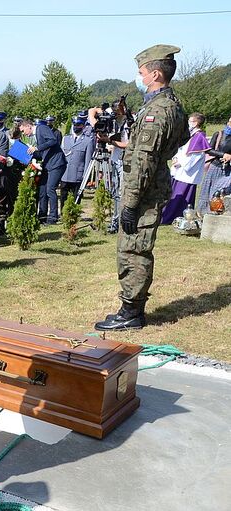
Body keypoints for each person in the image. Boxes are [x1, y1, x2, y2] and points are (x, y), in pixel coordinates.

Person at [95, 45, 188, 332]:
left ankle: (131, 312)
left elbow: (144, 161)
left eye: (141, 72)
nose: (139, 77)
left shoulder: (157, 111)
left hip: (144, 191)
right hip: (153, 183)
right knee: (135, 247)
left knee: (133, 249)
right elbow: (178, 138)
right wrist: (131, 145)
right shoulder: (171, 103)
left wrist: (131, 203)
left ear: (155, 74)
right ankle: (131, 308)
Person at [162, 113, 209, 224]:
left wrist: (181, 163)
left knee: (181, 197)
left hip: (187, 173)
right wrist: (175, 158)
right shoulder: (189, 134)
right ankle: (167, 215)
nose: (188, 123)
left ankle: (173, 217)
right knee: (172, 195)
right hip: (179, 170)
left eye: (190, 121)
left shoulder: (199, 137)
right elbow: (181, 149)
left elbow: (195, 156)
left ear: (196, 123)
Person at [21, 117, 66, 224]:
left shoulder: (41, 128)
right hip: (48, 164)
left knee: (50, 189)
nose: (24, 134)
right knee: (43, 189)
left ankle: (53, 217)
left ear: (28, 126)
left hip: (56, 164)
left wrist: (36, 148)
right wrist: (28, 154)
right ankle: (42, 216)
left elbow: (53, 140)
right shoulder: (36, 134)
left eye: (23, 131)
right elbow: (43, 153)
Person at [60, 116, 96, 210]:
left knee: (76, 198)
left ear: (83, 126)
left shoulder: (88, 141)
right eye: (74, 125)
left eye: (78, 125)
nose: (76, 127)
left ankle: (74, 215)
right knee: (63, 197)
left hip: (77, 175)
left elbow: (88, 160)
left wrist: (85, 177)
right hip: (65, 174)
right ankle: (63, 214)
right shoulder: (66, 139)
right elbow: (61, 156)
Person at [199, 115, 231, 214]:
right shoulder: (219, 134)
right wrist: (223, 155)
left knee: (222, 191)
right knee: (209, 192)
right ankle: (206, 213)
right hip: (216, 167)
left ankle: (219, 211)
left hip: (228, 169)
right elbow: (209, 150)